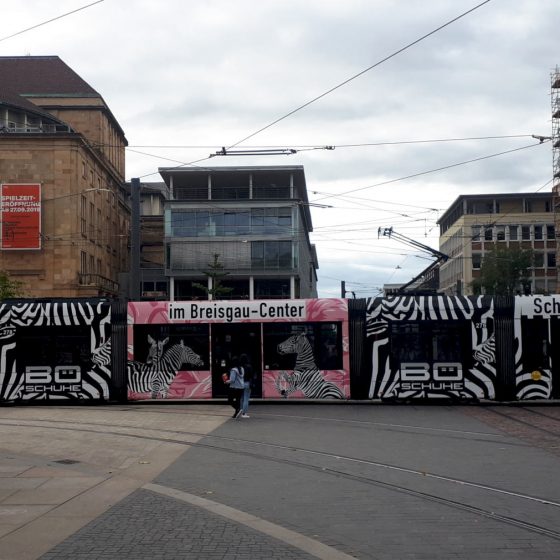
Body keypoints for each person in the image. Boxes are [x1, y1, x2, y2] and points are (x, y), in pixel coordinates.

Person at [240, 353, 253, 418]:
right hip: (247, 383)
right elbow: (251, 376)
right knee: (246, 399)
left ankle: (240, 411)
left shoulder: (239, 367)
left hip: (240, 384)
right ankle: (244, 413)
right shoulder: (249, 366)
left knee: (241, 398)